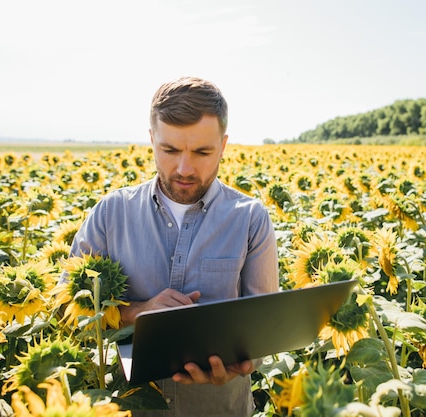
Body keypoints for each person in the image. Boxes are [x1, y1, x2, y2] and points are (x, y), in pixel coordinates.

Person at [68, 76, 279, 416]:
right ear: (152, 139)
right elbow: (65, 311)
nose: (184, 168)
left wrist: (239, 362)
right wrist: (135, 312)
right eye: (169, 150)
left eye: (202, 152)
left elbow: (265, 324)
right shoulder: (112, 213)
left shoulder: (250, 219)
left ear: (223, 146)